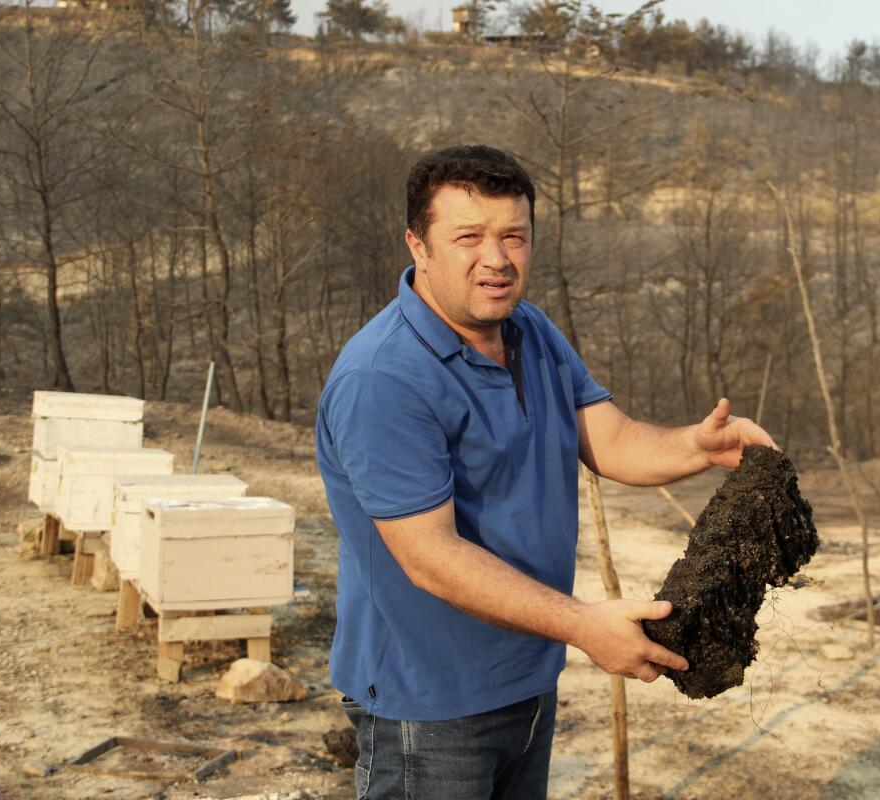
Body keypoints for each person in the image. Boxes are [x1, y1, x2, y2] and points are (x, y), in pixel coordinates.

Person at [316, 144, 776, 800]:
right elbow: (429, 558)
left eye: (514, 236)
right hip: (428, 703)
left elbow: (609, 439)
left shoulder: (528, 329)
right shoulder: (383, 377)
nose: (497, 259)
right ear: (419, 245)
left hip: (528, 674)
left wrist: (699, 447)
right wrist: (584, 625)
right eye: (469, 237)